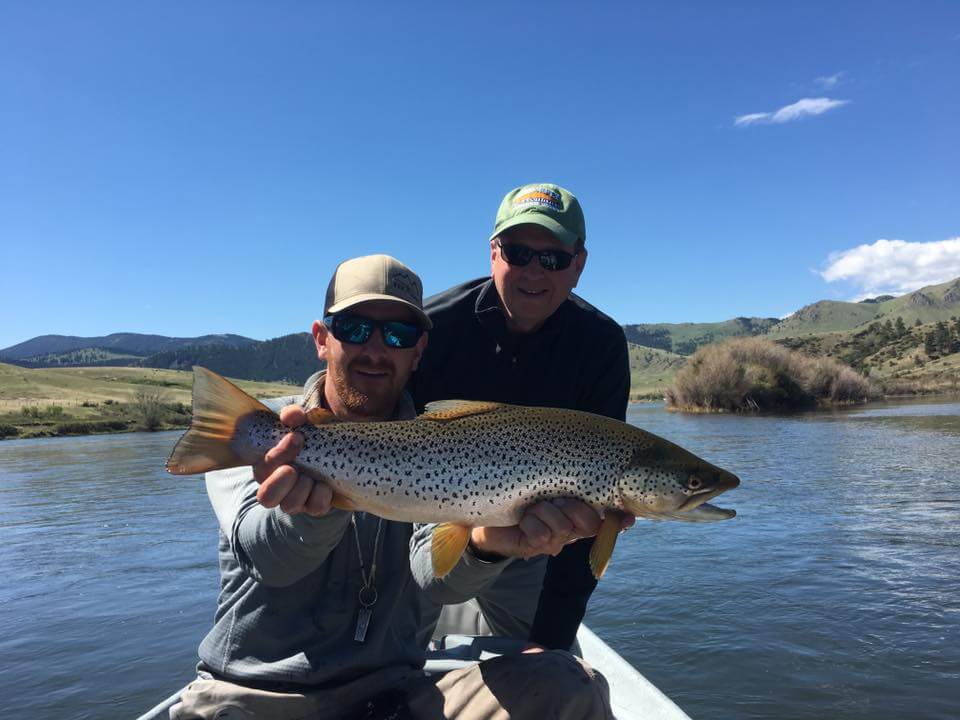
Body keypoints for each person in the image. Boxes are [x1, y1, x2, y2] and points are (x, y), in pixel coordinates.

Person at [170, 254, 613, 720]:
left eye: (397, 335)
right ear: (322, 339)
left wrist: (487, 544)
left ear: (418, 351)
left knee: (568, 683)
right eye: (355, 328)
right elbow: (266, 558)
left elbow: (434, 577)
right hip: (255, 695)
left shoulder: (439, 445)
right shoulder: (264, 433)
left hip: (397, 698)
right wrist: (310, 514)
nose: (375, 350)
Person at [409, 183, 632, 652]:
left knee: (554, 676)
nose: (534, 270)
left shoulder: (601, 347)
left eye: (552, 258)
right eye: (517, 252)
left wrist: (549, 643)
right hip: (415, 519)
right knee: (382, 659)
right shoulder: (435, 327)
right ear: (493, 254)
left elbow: (591, 515)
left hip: (535, 549)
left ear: (579, 264)